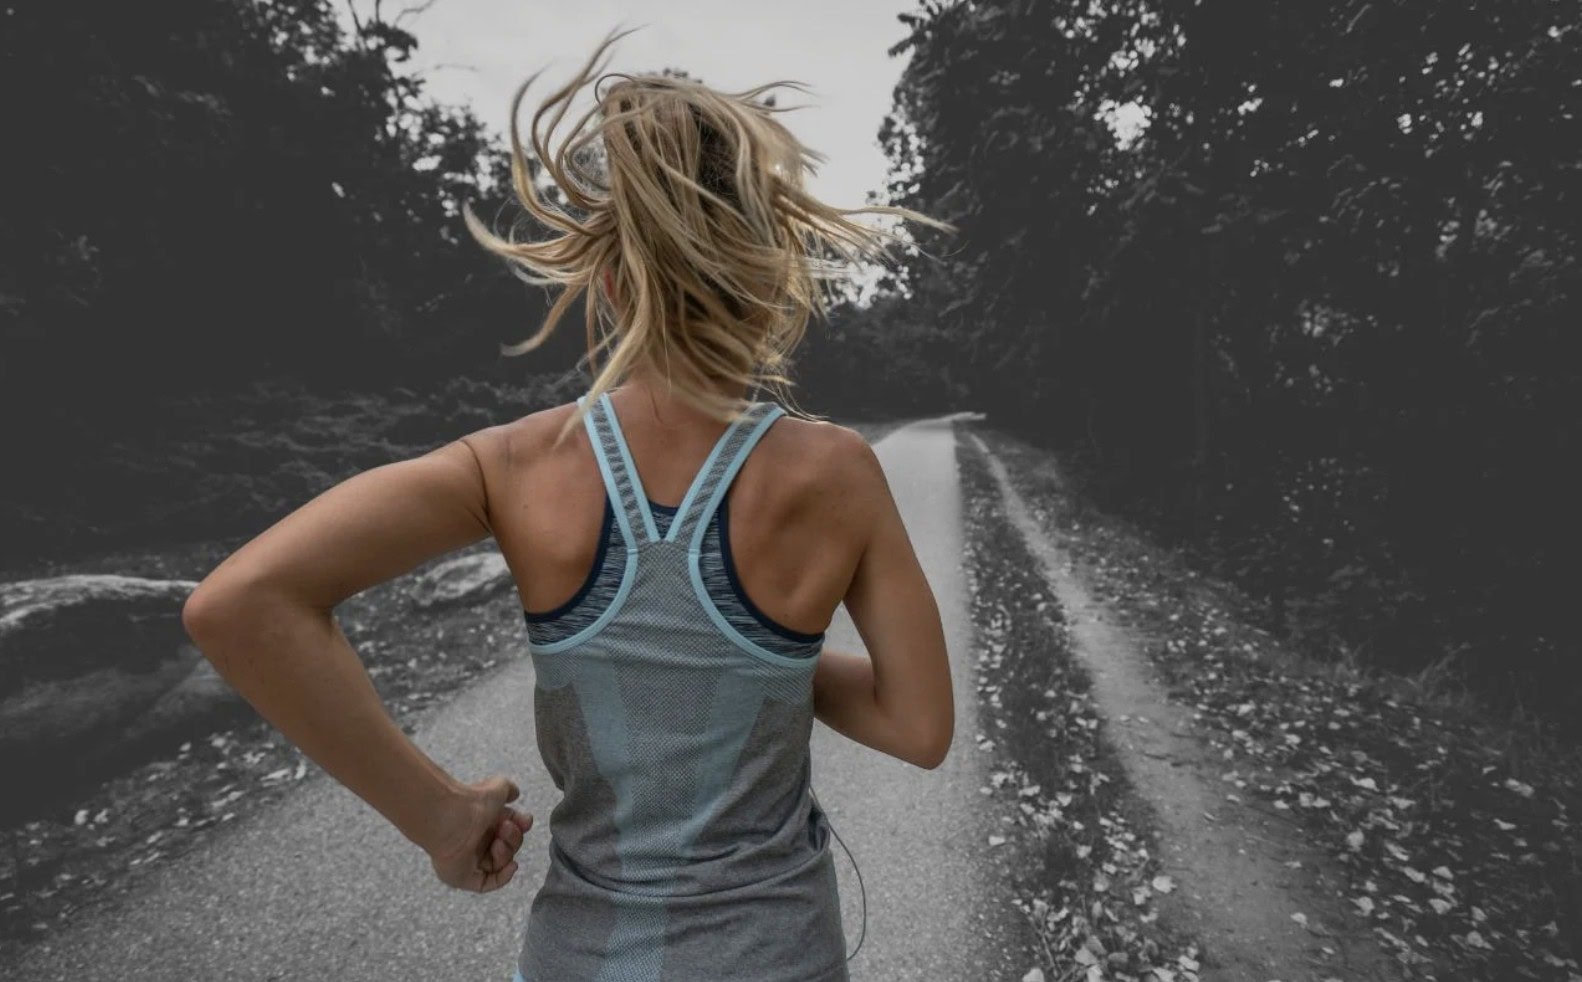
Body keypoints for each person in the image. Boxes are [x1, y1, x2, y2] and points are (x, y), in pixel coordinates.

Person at [181, 24, 956, 982]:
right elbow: (919, 727)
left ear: (608, 281)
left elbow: (239, 604)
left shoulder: (512, 465)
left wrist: (439, 817)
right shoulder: (836, 472)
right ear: (768, 277)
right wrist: (766, 663)